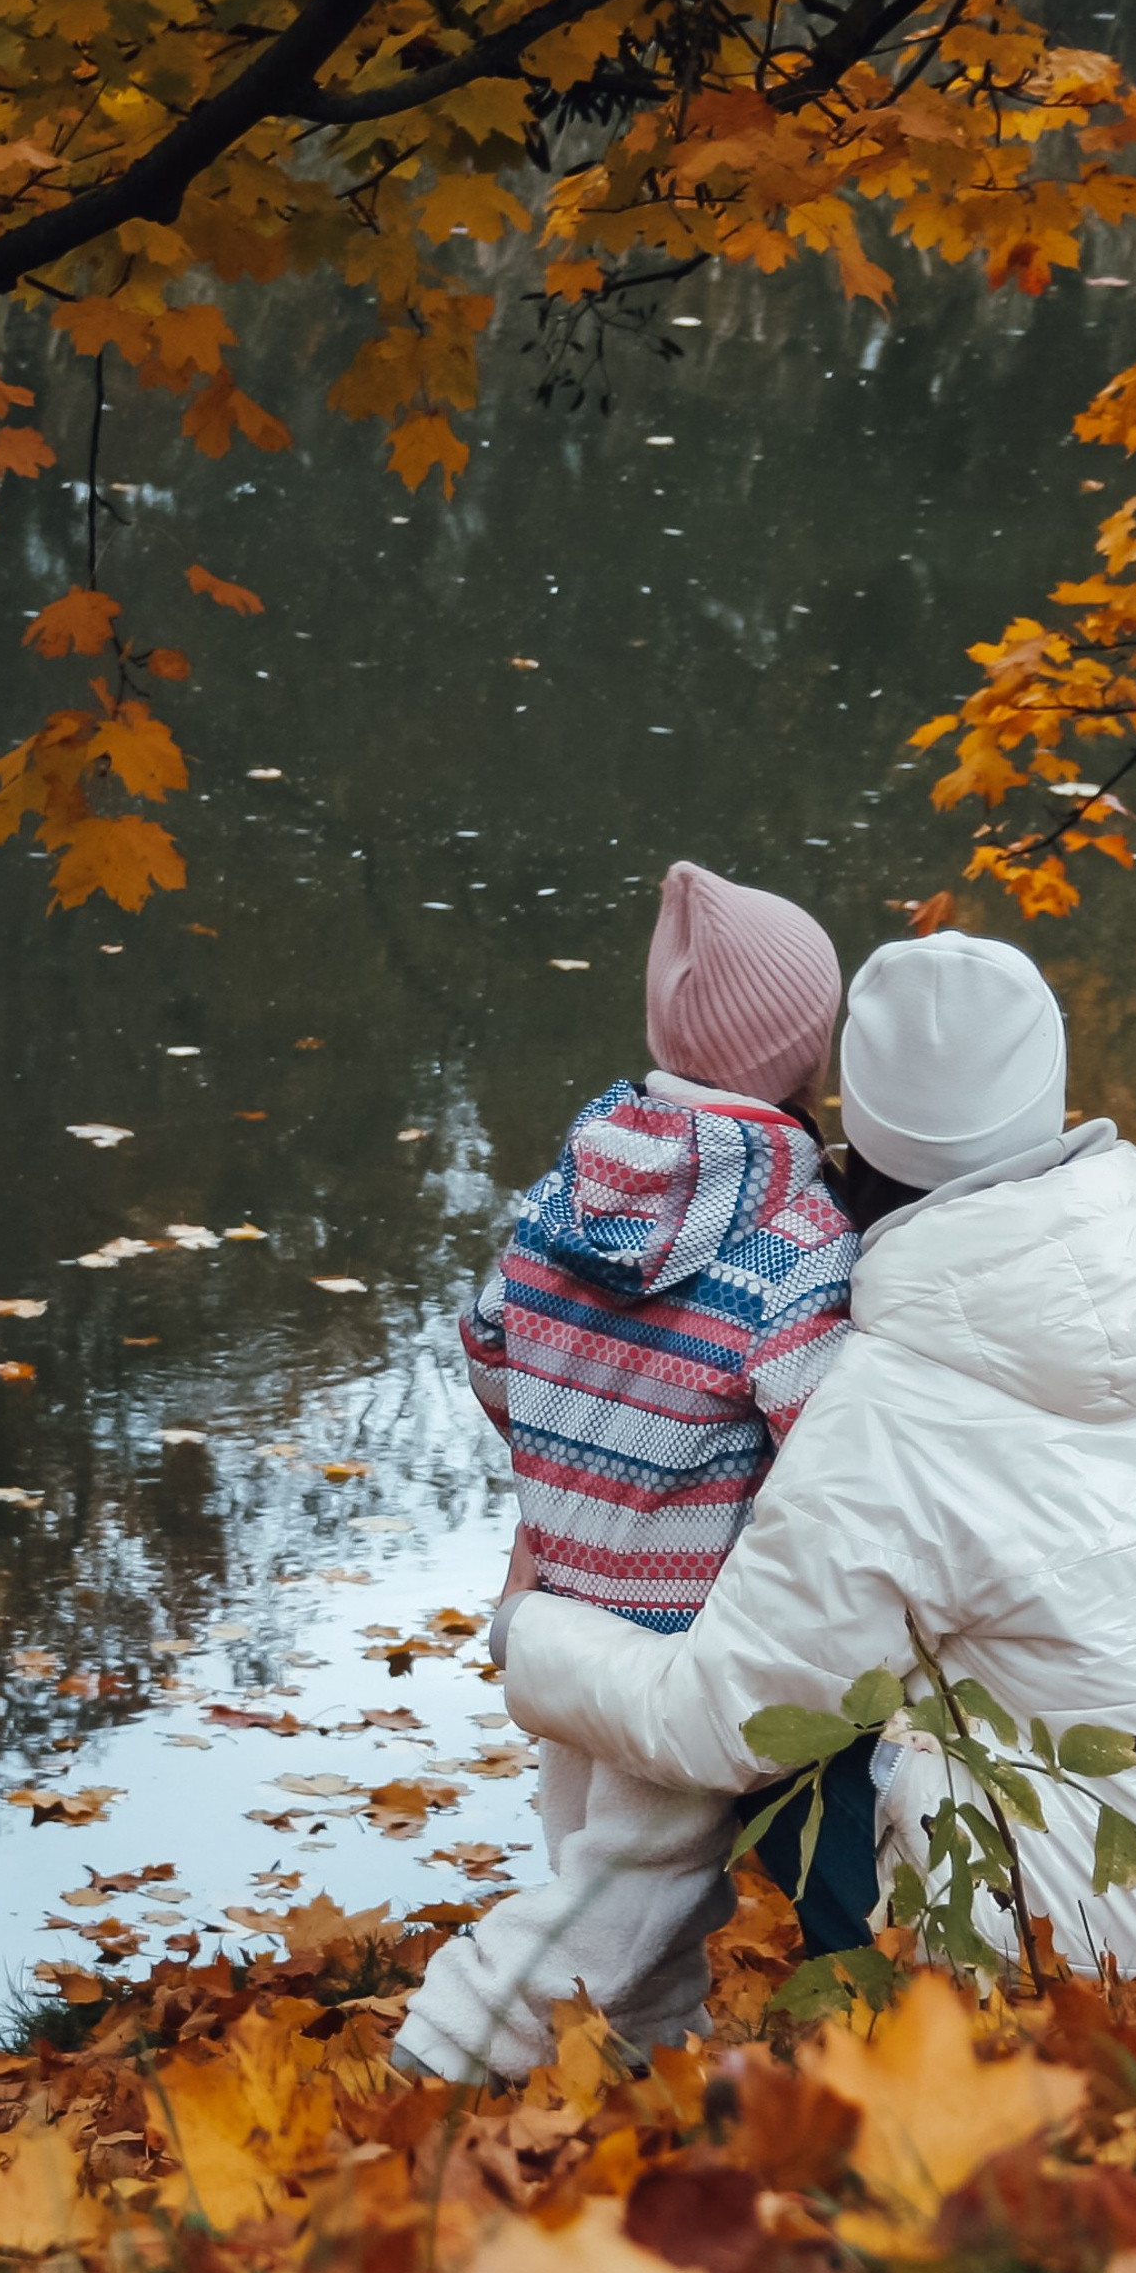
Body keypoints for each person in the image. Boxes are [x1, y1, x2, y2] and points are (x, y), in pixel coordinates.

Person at [496, 930, 1136, 1981]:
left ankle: (844, 1991)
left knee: (785, 1709)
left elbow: (719, 1721)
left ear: (856, 1134)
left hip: (1053, 1951)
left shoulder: (885, 1401)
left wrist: (532, 1630)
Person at [393, 862, 857, 2079]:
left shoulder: (567, 1190)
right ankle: (451, 2044)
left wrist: (559, 1481)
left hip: (557, 1601)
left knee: (597, 1866)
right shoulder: (797, 1243)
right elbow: (831, 1448)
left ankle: (644, 2065)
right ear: (809, 1052)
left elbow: (491, 1342)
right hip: (678, 1640)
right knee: (629, 1888)